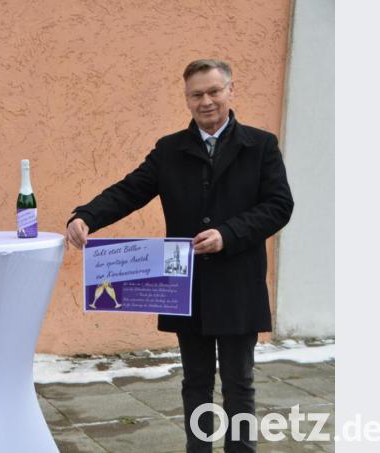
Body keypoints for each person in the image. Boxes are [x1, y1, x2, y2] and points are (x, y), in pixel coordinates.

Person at [65, 59, 293, 452]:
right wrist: (87, 215)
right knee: (196, 382)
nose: (206, 101)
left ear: (230, 91)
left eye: (214, 91)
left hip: (238, 284)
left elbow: (278, 205)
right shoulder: (170, 149)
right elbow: (130, 190)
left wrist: (227, 234)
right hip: (187, 288)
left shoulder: (261, 146)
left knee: (239, 383)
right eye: (196, 94)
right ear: (187, 99)